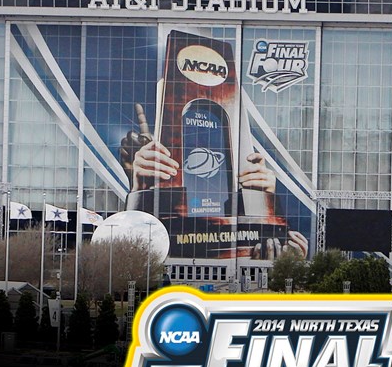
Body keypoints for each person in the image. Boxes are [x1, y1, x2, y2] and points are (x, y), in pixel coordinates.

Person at [120, 103, 308, 257]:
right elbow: (130, 249)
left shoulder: (244, 182)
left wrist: (265, 202)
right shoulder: (165, 188)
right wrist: (141, 191)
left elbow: (276, 245)